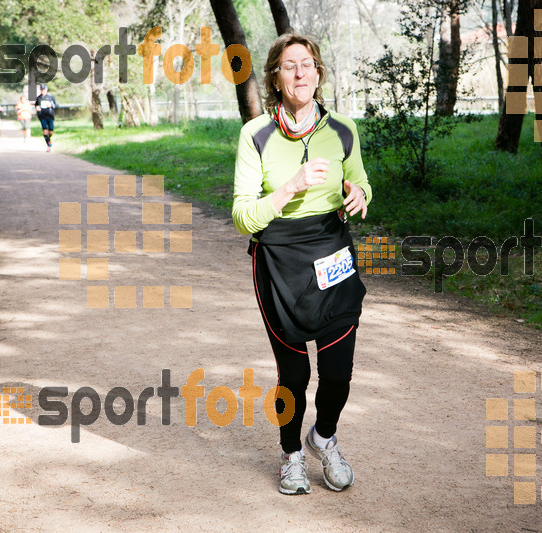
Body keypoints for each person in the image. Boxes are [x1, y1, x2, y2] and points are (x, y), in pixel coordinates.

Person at [232, 31, 372, 495]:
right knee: (294, 375)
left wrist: (358, 194)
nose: (300, 73)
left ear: (318, 73)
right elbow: (243, 216)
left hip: (332, 251)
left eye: (308, 64)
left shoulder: (344, 129)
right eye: (290, 65)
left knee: (337, 371)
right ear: (276, 77)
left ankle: (324, 437)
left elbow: (361, 183)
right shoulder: (256, 134)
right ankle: (291, 454)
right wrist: (290, 187)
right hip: (279, 257)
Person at [34, 84, 57, 152]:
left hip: (50, 116)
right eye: (41, 90)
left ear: (46, 90)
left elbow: (56, 105)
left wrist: (51, 105)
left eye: (43, 90)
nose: (42, 91)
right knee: (44, 131)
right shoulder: (38, 98)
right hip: (42, 116)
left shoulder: (50, 97)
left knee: (51, 132)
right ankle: (48, 145)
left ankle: (49, 139)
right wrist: (37, 108)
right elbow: (36, 105)